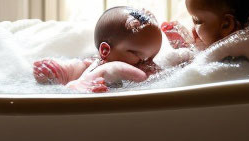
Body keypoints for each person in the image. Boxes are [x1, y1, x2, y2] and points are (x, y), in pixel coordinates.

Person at [33, 6, 162, 92]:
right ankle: (63, 73)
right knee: (77, 68)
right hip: (85, 88)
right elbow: (77, 69)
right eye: (137, 55)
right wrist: (57, 71)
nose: (146, 62)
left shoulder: (143, 68)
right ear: (105, 51)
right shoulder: (96, 64)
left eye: (151, 57)